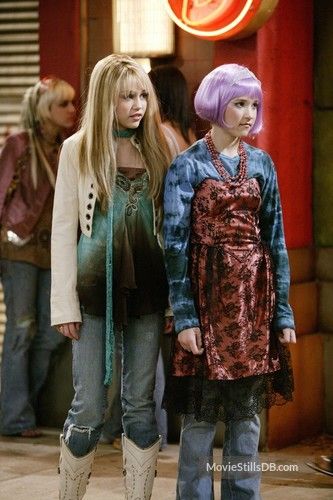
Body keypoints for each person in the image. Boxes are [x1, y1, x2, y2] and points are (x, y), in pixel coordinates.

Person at [163, 63, 297, 499]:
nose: (247, 112)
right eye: (239, 102)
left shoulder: (261, 163)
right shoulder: (187, 165)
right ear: (217, 103)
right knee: (200, 419)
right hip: (206, 301)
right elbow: (174, 246)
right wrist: (184, 318)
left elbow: (275, 239)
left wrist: (282, 311)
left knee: (246, 418)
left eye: (253, 104)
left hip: (252, 306)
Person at [51, 54, 177, 500]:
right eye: (127, 96)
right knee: (87, 407)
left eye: (143, 94)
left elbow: (174, 233)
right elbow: (63, 231)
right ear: (107, 99)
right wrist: (63, 304)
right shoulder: (78, 149)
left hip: (147, 291)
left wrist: (172, 305)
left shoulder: (161, 148)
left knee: (140, 406)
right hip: (90, 293)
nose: (138, 104)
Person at [0, 77, 76, 437]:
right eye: (64, 104)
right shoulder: (20, 145)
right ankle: (15, 417)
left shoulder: (67, 149)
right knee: (20, 330)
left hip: (54, 253)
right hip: (18, 248)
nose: (72, 110)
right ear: (46, 109)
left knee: (52, 332)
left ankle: (15, 407)